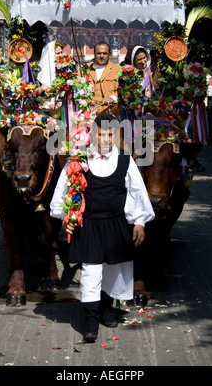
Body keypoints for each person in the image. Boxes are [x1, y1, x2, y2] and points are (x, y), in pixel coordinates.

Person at [50, 112, 155, 343]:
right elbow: (62, 191)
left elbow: (136, 192)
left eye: (110, 134)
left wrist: (139, 222)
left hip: (116, 224)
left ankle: (106, 309)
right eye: (101, 133)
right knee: (91, 272)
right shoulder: (78, 158)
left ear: (115, 134)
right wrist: (65, 217)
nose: (105, 139)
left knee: (114, 271)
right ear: (92, 133)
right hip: (88, 225)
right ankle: (90, 319)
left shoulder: (125, 160)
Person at [85, 42, 121, 113]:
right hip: (89, 114)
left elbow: (125, 94)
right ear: (94, 54)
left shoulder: (119, 70)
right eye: (99, 53)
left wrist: (113, 98)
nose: (102, 56)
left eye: (105, 53)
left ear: (109, 54)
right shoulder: (83, 69)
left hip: (110, 113)